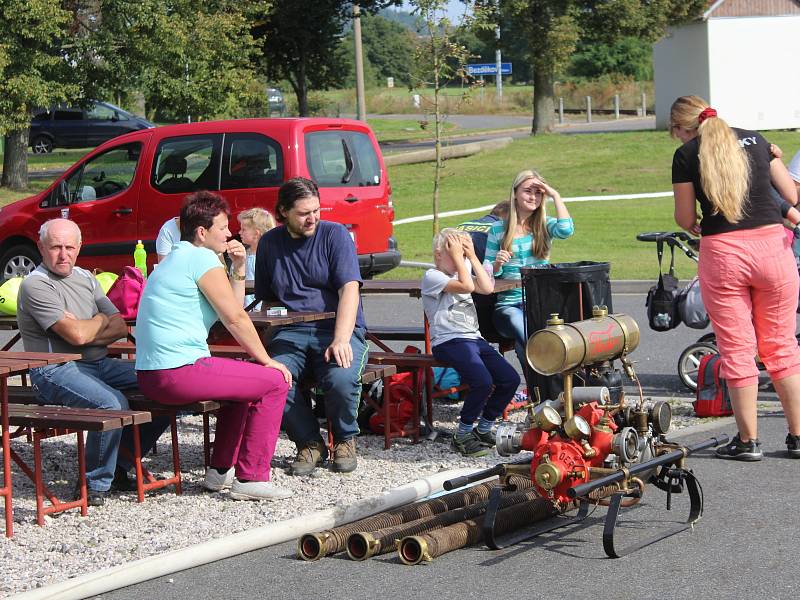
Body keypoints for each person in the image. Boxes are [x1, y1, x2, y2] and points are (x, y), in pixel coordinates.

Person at [134, 191, 293, 501]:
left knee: (240, 390)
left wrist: (238, 266)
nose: (229, 233)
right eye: (222, 228)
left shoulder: (177, 258)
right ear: (202, 232)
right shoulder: (200, 257)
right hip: (178, 371)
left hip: (153, 374)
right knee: (275, 381)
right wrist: (267, 360)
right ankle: (252, 478)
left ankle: (220, 471)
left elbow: (231, 307)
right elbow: (235, 318)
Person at [670, 95, 800, 460]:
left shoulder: (686, 154)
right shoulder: (757, 140)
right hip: (773, 250)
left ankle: (748, 440)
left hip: (724, 253)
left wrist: (695, 222)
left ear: (682, 128)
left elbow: (683, 218)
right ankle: (798, 436)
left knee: (738, 349)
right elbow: (790, 194)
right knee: (782, 346)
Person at [17, 219, 169, 506]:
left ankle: (121, 463)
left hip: (100, 362)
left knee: (164, 383)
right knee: (111, 404)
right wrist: (99, 323)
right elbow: (75, 335)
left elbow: (120, 328)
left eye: (69, 247)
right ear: (40, 247)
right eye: (56, 247)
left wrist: (92, 326)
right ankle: (94, 483)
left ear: (79, 247)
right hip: (54, 369)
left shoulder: (85, 277)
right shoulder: (35, 285)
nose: (63, 255)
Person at [255, 177, 367, 476]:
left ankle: (345, 439)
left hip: (336, 327)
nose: (312, 218)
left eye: (316, 210)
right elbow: (267, 300)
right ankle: (309, 442)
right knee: (272, 377)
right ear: (283, 212)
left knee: (341, 378)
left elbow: (349, 290)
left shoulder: (335, 235)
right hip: (290, 331)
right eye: (304, 213)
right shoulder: (269, 243)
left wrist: (342, 338)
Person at [422, 229, 520, 457]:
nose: (461, 258)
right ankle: (462, 434)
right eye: (454, 252)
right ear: (438, 254)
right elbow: (466, 287)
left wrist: (472, 256)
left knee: (509, 379)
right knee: (483, 382)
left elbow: (486, 288)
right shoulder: (432, 276)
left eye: (463, 253)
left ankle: (483, 428)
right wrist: (459, 257)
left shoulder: (463, 269)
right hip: (449, 341)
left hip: (473, 338)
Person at [483, 170, 574, 379]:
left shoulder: (544, 225)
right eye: (527, 191)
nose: (533, 197)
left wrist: (555, 195)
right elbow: (485, 272)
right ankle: (551, 388)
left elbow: (566, 229)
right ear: (514, 193)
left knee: (534, 344)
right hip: (509, 306)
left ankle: (542, 395)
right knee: (529, 334)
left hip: (540, 303)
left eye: (538, 192)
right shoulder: (498, 229)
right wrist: (496, 264)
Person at [237, 208, 276, 309]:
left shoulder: (264, 258)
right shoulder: (244, 255)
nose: (239, 232)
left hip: (257, 308)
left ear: (256, 233)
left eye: (243, 229)